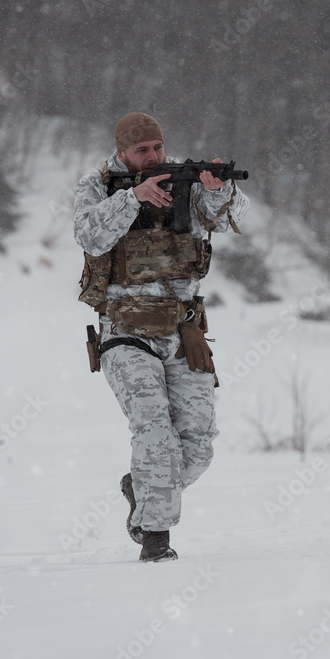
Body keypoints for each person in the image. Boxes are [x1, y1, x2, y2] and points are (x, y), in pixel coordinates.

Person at [73, 112, 250, 562]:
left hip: (183, 330)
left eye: (157, 147)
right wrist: (133, 197)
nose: (153, 156)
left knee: (198, 445)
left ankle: (142, 488)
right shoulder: (99, 186)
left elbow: (237, 217)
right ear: (122, 152)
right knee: (154, 433)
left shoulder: (181, 179)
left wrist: (217, 190)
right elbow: (89, 236)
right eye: (142, 151)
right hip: (126, 330)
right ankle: (155, 540)